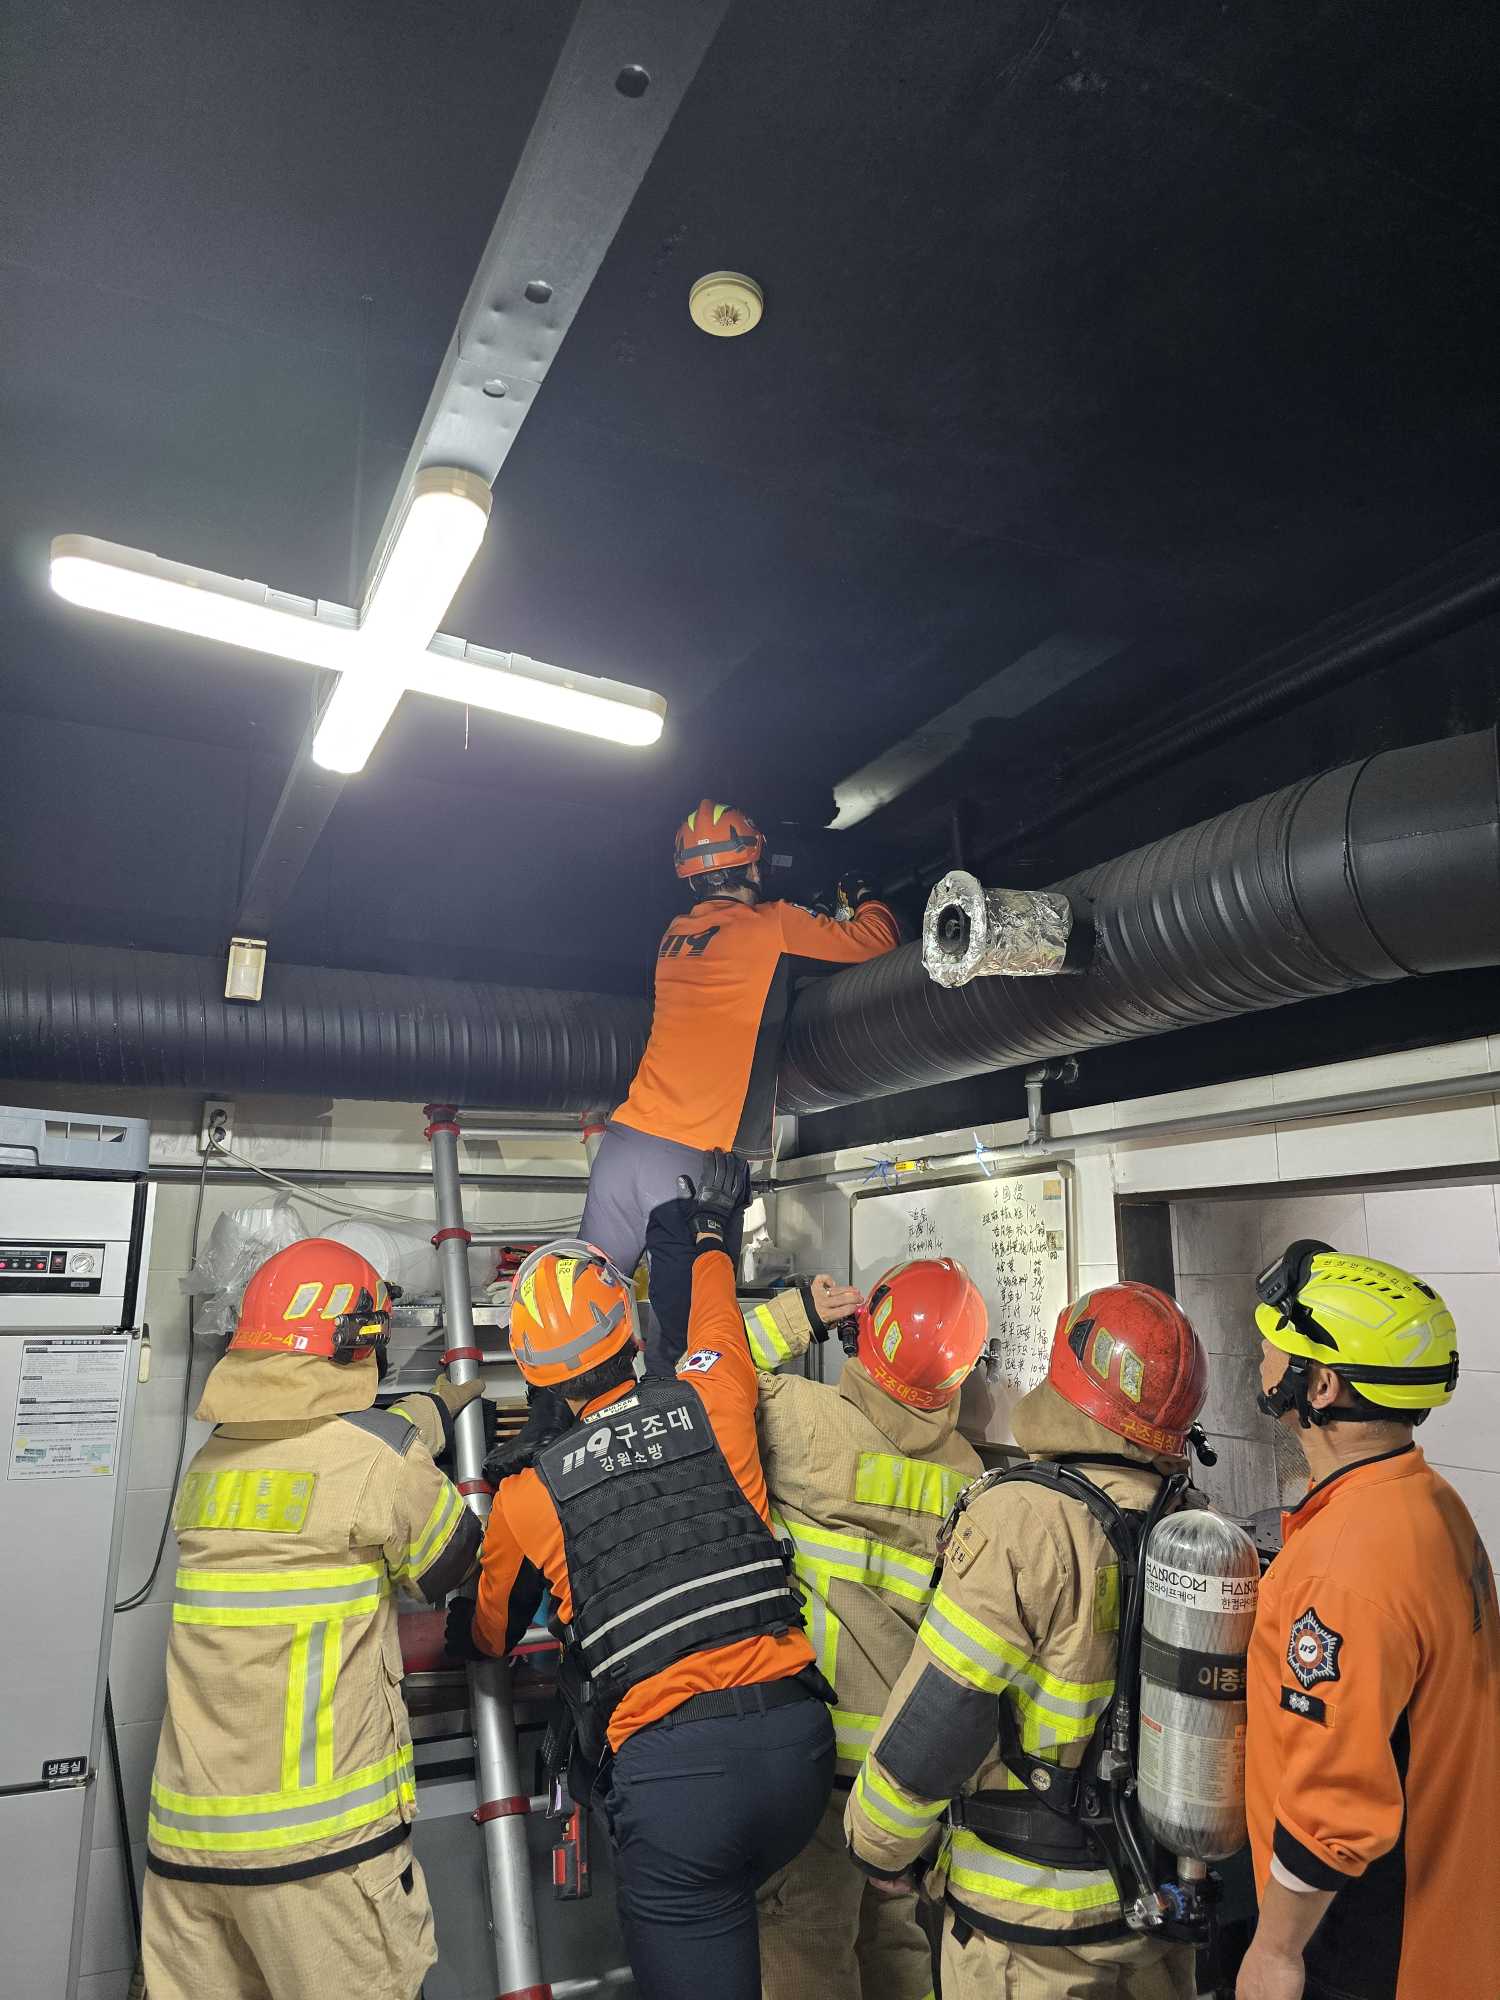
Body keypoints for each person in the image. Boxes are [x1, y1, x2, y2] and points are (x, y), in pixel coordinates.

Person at [451, 1150, 835, 2000]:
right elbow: (713, 1311)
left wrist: (463, 1620)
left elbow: (488, 1632)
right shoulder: (715, 1394)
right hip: (799, 1752)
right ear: (628, 1329)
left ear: (531, 1370)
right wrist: (710, 1229)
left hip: (676, 1787)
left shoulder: (528, 1494)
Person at [845, 1282, 1210, 2000]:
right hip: (1154, 1907)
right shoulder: (1193, 1524)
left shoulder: (1023, 1518)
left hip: (1028, 1931)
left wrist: (879, 1845)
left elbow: (947, 1708)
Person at [140, 1238, 483, 2000]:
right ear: (359, 1342)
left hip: (188, 1854)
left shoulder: (209, 1465)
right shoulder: (378, 1463)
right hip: (318, 1861)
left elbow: (329, 1451)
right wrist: (420, 1439)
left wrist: (421, 1418)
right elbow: (452, 1562)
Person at [1238, 1241, 1500, 2000]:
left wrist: (1276, 1952)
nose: (1260, 1356)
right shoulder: (1428, 1501)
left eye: (1272, 1345)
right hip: (1452, 1912)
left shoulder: (1343, 1567)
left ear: (1319, 1384)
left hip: (1369, 1947)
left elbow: (1336, 1810)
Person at [741, 1259, 988, 2000]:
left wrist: (797, 1316)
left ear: (863, 1335)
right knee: (897, 1938)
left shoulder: (801, 1422)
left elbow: (705, 1379)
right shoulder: (972, 1477)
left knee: (805, 1942)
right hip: (905, 1766)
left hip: (815, 1755)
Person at [579, 799, 899, 1363]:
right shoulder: (772, 924)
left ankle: (555, 1418)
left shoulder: (675, 933)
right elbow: (876, 941)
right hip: (688, 1172)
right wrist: (865, 893)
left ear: (691, 878)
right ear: (754, 864)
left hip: (623, 1151)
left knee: (580, 1324)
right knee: (691, 1354)